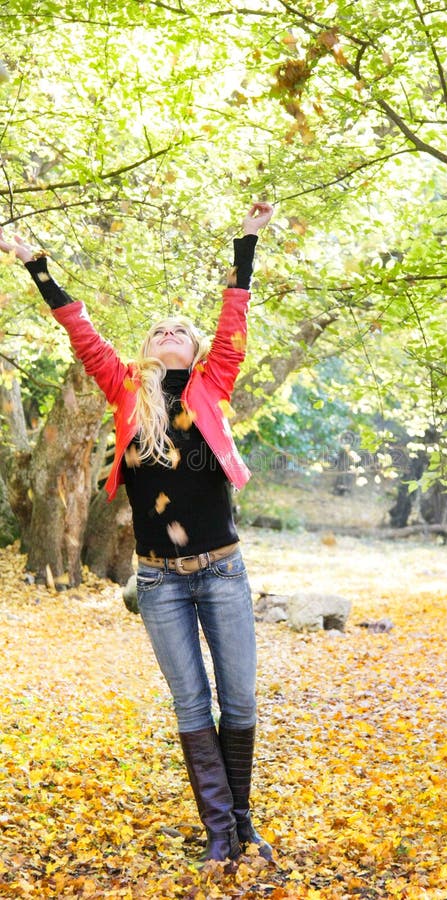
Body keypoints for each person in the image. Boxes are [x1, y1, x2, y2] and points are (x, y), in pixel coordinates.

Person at [0, 201, 274, 866]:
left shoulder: (214, 383)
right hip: (158, 580)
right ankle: (218, 835)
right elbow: (81, 331)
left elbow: (233, 321)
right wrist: (36, 266)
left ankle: (242, 824)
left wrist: (246, 244)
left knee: (236, 698)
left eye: (180, 329)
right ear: (147, 350)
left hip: (222, 570)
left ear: (197, 349)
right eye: (158, 329)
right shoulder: (125, 390)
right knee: (190, 702)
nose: (169, 332)